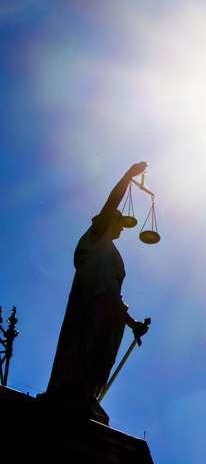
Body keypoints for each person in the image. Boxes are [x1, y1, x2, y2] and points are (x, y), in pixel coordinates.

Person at [43, 162, 151, 422]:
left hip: (106, 315)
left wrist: (132, 323)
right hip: (88, 307)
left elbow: (116, 297)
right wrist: (126, 177)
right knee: (82, 352)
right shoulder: (97, 237)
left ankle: (85, 392)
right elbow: (111, 203)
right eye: (118, 222)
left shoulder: (111, 252)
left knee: (97, 362)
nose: (122, 227)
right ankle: (71, 392)